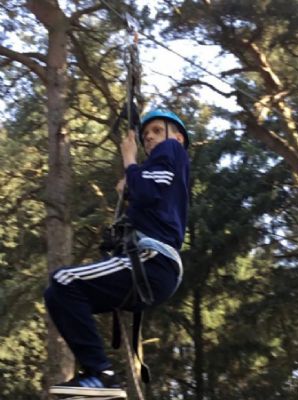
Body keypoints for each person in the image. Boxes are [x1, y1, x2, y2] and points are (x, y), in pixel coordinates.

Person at [44, 109, 190, 398]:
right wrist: (131, 187)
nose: (149, 138)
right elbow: (149, 196)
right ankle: (95, 376)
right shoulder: (167, 173)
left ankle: (101, 375)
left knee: (64, 280)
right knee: (57, 295)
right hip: (151, 268)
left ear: (178, 137)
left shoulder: (172, 150)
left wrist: (130, 161)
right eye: (146, 135)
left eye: (157, 131)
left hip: (154, 261)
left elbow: (148, 192)